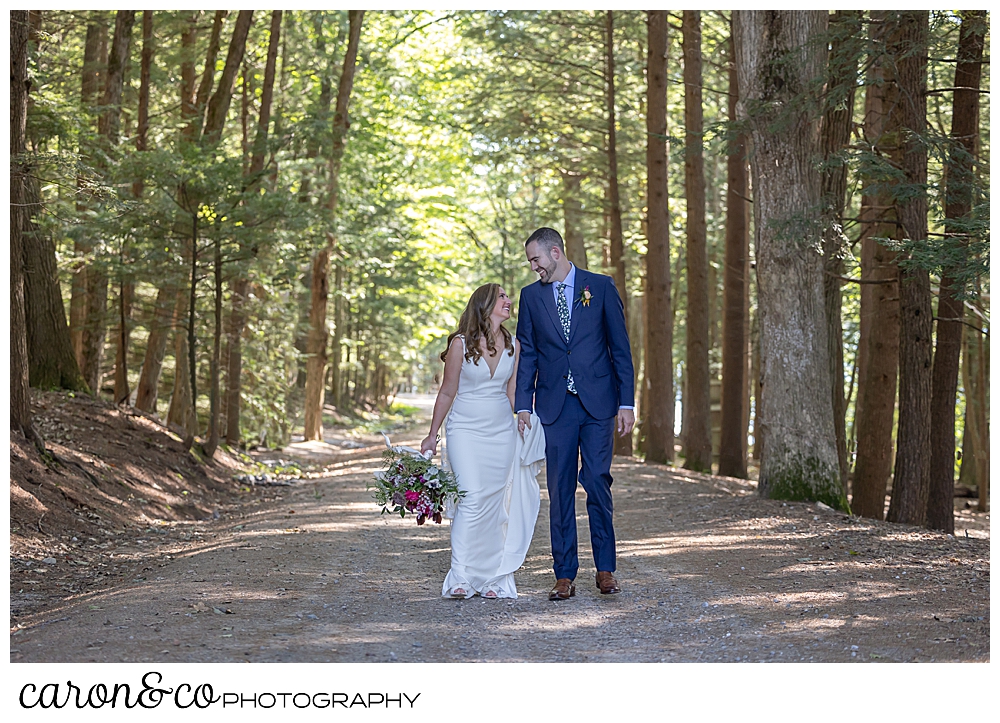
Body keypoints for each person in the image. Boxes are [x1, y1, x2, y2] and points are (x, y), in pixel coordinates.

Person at [515, 227, 635, 600]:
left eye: (536, 260)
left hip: (599, 402)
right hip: (555, 406)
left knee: (597, 481)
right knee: (560, 488)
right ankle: (564, 574)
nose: (534, 267)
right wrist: (523, 404)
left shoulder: (599, 287)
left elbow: (620, 348)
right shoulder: (531, 297)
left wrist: (627, 402)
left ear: (555, 252)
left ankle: (605, 569)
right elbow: (529, 353)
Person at [421, 283, 542, 599]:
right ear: (485, 304)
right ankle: (460, 576)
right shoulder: (461, 344)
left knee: (495, 504)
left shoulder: (514, 344)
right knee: (472, 498)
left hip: (501, 431)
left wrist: (525, 418)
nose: (509, 301)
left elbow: (513, 393)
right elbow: (447, 391)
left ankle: (491, 579)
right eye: (502, 296)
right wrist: (432, 435)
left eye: (507, 296)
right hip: (465, 429)